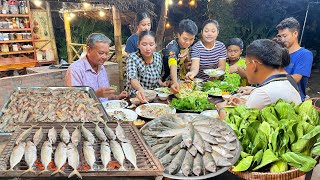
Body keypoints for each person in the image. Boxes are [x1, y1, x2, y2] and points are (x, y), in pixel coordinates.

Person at [216, 39, 302, 119]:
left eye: (246, 64)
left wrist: (221, 109)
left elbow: (236, 129)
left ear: (253, 65)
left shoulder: (262, 93)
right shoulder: (287, 80)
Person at [65, 33, 128, 102]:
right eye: (101, 53)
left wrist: (117, 97)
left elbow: (105, 96)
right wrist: (96, 94)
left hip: (105, 109)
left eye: (106, 53)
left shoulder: (101, 67)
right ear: (89, 50)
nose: (105, 57)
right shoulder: (75, 69)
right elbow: (73, 100)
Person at [276, 17, 313, 101]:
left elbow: (295, 79)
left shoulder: (305, 54)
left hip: (294, 100)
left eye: (285, 36)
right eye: (280, 36)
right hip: (276, 95)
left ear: (295, 34)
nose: (282, 39)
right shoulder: (279, 52)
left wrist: (271, 81)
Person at [126, 30, 165, 102]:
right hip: (136, 97)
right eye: (144, 44)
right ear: (138, 44)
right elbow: (132, 78)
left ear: (155, 44)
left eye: (151, 44)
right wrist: (140, 89)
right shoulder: (132, 58)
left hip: (154, 97)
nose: (148, 48)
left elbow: (157, 76)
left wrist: (162, 84)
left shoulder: (158, 57)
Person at [161, 19, 198, 93]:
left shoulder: (187, 46)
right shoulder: (172, 47)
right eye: (185, 39)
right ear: (178, 35)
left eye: (191, 39)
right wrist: (175, 82)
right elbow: (173, 64)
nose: (188, 42)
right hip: (163, 82)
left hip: (176, 81)